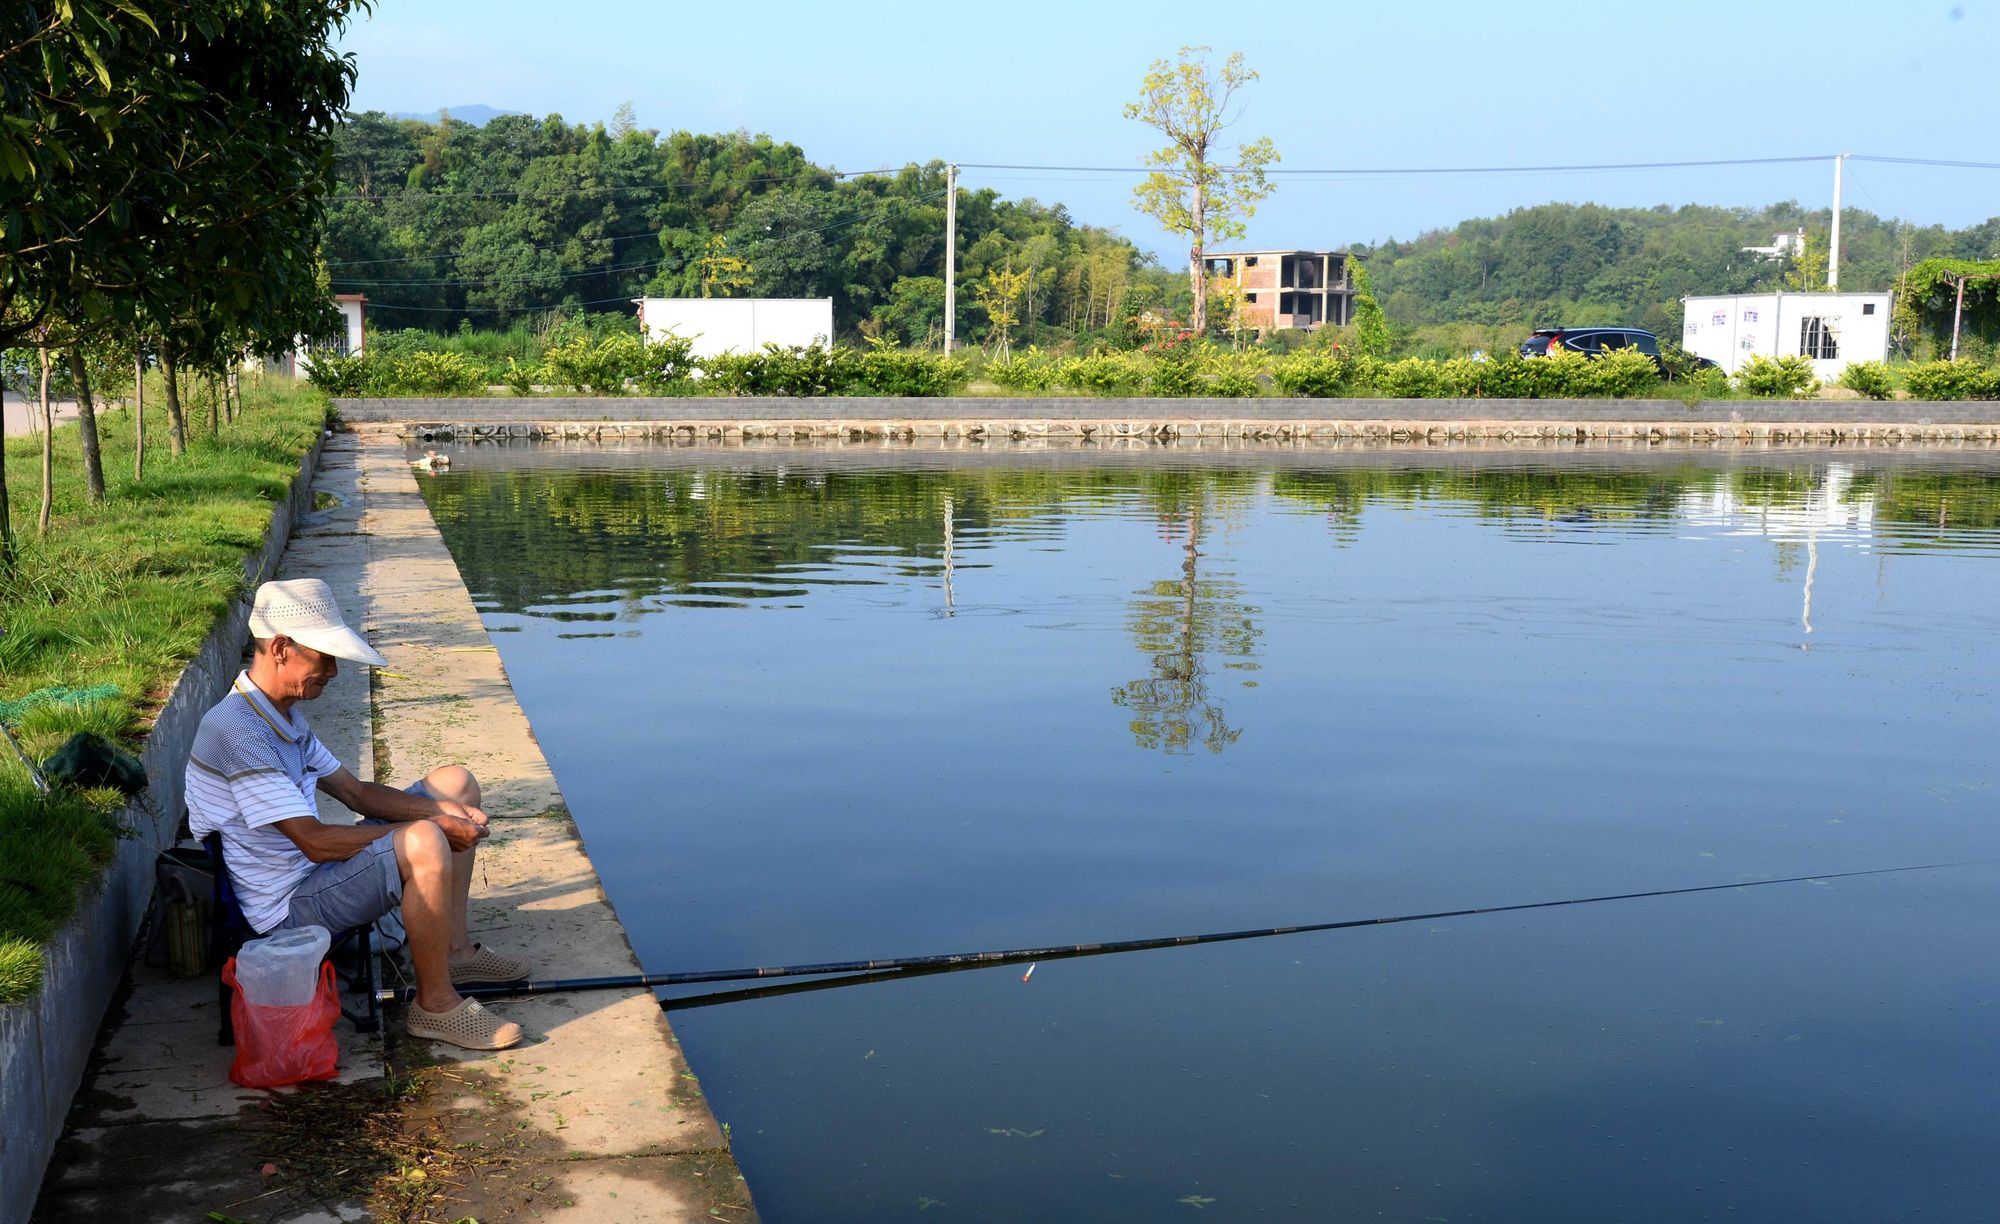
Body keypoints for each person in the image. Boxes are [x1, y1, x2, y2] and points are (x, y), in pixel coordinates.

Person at [186, 578, 528, 1050]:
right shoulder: (239, 732)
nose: (333, 671)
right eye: (324, 656)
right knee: (425, 841)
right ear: (282, 648)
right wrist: (428, 827)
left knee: (455, 784)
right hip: (286, 909)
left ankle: (455, 949)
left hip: (316, 874)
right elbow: (316, 842)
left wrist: (443, 809)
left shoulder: (281, 717)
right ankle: (436, 1007)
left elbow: (358, 793)